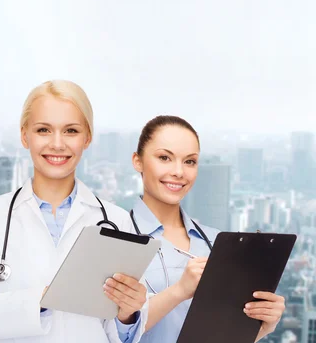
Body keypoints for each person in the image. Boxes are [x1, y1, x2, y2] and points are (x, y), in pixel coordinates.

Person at [0, 80, 148, 343]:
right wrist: (43, 299)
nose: (57, 144)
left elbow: (122, 334)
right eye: (43, 130)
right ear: (25, 136)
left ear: (87, 138)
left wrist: (128, 313)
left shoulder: (116, 221)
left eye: (70, 131)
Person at [106, 115, 286, 342]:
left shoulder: (216, 242)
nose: (179, 172)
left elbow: (224, 334)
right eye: (164, 158)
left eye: (189, 161)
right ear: (137, 161)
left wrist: (262, 326)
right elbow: (107, 333)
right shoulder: (116, 239)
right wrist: (180, 290)